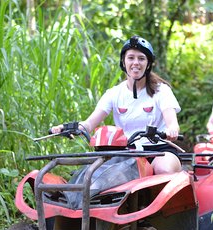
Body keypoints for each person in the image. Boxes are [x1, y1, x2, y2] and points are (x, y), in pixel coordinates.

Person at [51, 36, 182, 174]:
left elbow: (172, 123)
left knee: (163, 169)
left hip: (160, 150)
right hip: (126, 154)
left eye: (141, 58)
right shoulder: (114, 93)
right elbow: (88, 124)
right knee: (95, 176)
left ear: (148, 64)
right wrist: (66, 128)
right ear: (123, 62)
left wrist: (171, 130)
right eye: (131, 58)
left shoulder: (161, 91)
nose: (136, 62)